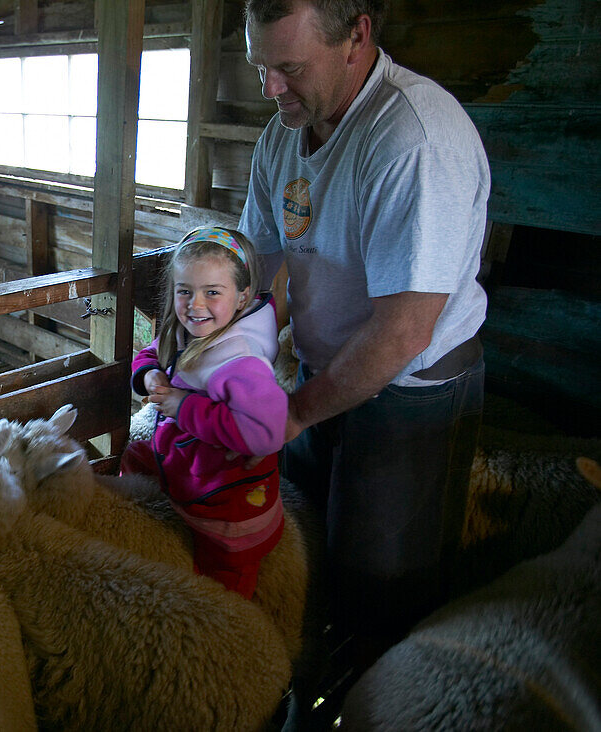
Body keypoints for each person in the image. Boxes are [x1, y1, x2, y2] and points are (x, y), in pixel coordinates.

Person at [236, 0, 489, 644]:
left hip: (411, 386)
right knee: (304, 540)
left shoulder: (411, 136)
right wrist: (221, 354)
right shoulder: (281, 137)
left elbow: (405, 330)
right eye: (259, 66)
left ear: (356, 37)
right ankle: (316, 677)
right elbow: (261, 272)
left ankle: (373, 694)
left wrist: (291, 414)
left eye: (289, 66)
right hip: (326, 368)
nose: (271, 89)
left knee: (379, 583)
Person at [122, 226, 289, 599]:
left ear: (242, 297)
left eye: (212, 292)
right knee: (134, 456)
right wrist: (149, 374)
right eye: (185, 291)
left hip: (225, 493)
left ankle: (230, 627)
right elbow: (154, 352)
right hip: (186, 461)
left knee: (223, 577)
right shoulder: (189, 330)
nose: (195, 304)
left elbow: (266, 433)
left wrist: (184, 405)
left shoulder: (240, 360)